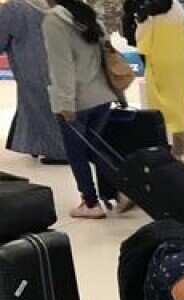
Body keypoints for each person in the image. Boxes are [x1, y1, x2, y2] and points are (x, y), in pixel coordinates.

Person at [41, 0, 128, 219]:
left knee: (77, 152)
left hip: (78, 100)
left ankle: (90, 203)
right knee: (94, 148)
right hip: (101, 96)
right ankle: (124, 189)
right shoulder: (87, 14)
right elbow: (106, 54)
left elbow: (62, 65)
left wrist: (65, 103)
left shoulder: (54, 21)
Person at [137, 0, 184, 162]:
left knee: (161, 107)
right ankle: (177, 154)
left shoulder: (149, 13)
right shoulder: (176, 6)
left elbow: (142, 43)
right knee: (180, 107)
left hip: (160, 64)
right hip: (181, 63)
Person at [0, 0, 66, 164]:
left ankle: (58, 151)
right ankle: (39, 146)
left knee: (39, 106)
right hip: (62, 63)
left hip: (32, 64)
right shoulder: (57, 6)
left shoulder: (14, 8)